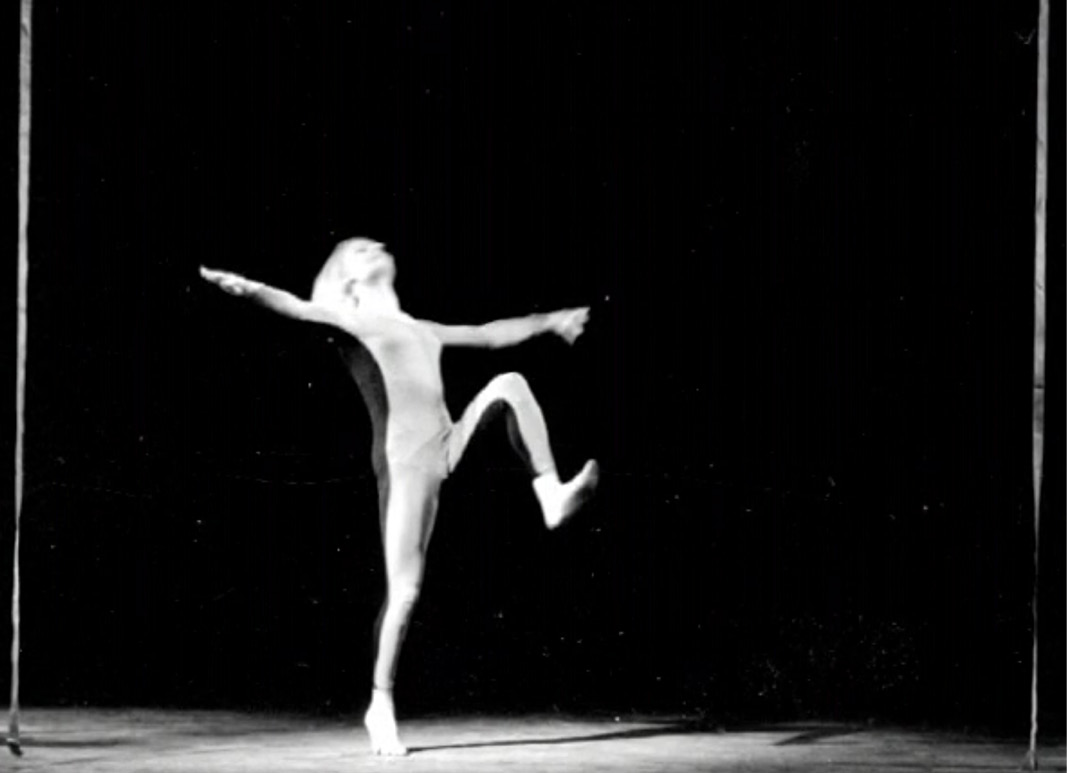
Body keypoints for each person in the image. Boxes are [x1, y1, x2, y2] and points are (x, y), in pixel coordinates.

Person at [200, 237, 600, 755]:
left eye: (375, 245)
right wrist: (247, 288)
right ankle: (380, 703)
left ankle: (551, 496)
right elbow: (295, 307)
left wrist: (549, 321)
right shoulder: (352, 322)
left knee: (511, 383)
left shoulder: (421, 328)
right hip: (405, 464)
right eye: (360, 251)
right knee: (406, 591)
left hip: (447, 441)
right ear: (348, 280)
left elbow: (487, 334)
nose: (376, 248)